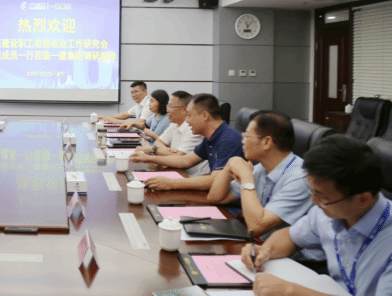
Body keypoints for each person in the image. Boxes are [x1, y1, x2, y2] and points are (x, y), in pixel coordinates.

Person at [240, 135, 392, 296]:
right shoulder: (325, 212)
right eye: (312, 191)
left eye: (323, 197)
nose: (314, 201)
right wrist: (266, 251)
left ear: (363, 199)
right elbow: (290, 236)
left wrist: (290, 291)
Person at [207, 111, 314, 239]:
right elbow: (215, 198)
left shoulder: (300, 178)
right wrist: (230, 164)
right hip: (258, 244)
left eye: (247, 136)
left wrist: (246, 176)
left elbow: (255, 227)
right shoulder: (262, 168)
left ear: (266, 142)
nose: (242, 141)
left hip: (282, 251)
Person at [137, 93, 244, 191]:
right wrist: (148, 158)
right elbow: (185, 160)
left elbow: (215, 180)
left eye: (189, 115)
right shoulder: (210, 138)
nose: (187, 120)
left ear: (205, 116)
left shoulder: (228, 139)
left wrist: (171, 183)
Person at [129, 90, 209, 177]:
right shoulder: (174, 124)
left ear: (184, 110)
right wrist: (166, 151)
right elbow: (158, 142)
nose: (167, 110)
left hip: (190, 176)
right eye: (168, 106)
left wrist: (154, 150)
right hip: (174, 170)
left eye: (171, 107)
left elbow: (179, 158)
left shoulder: (193, 129)